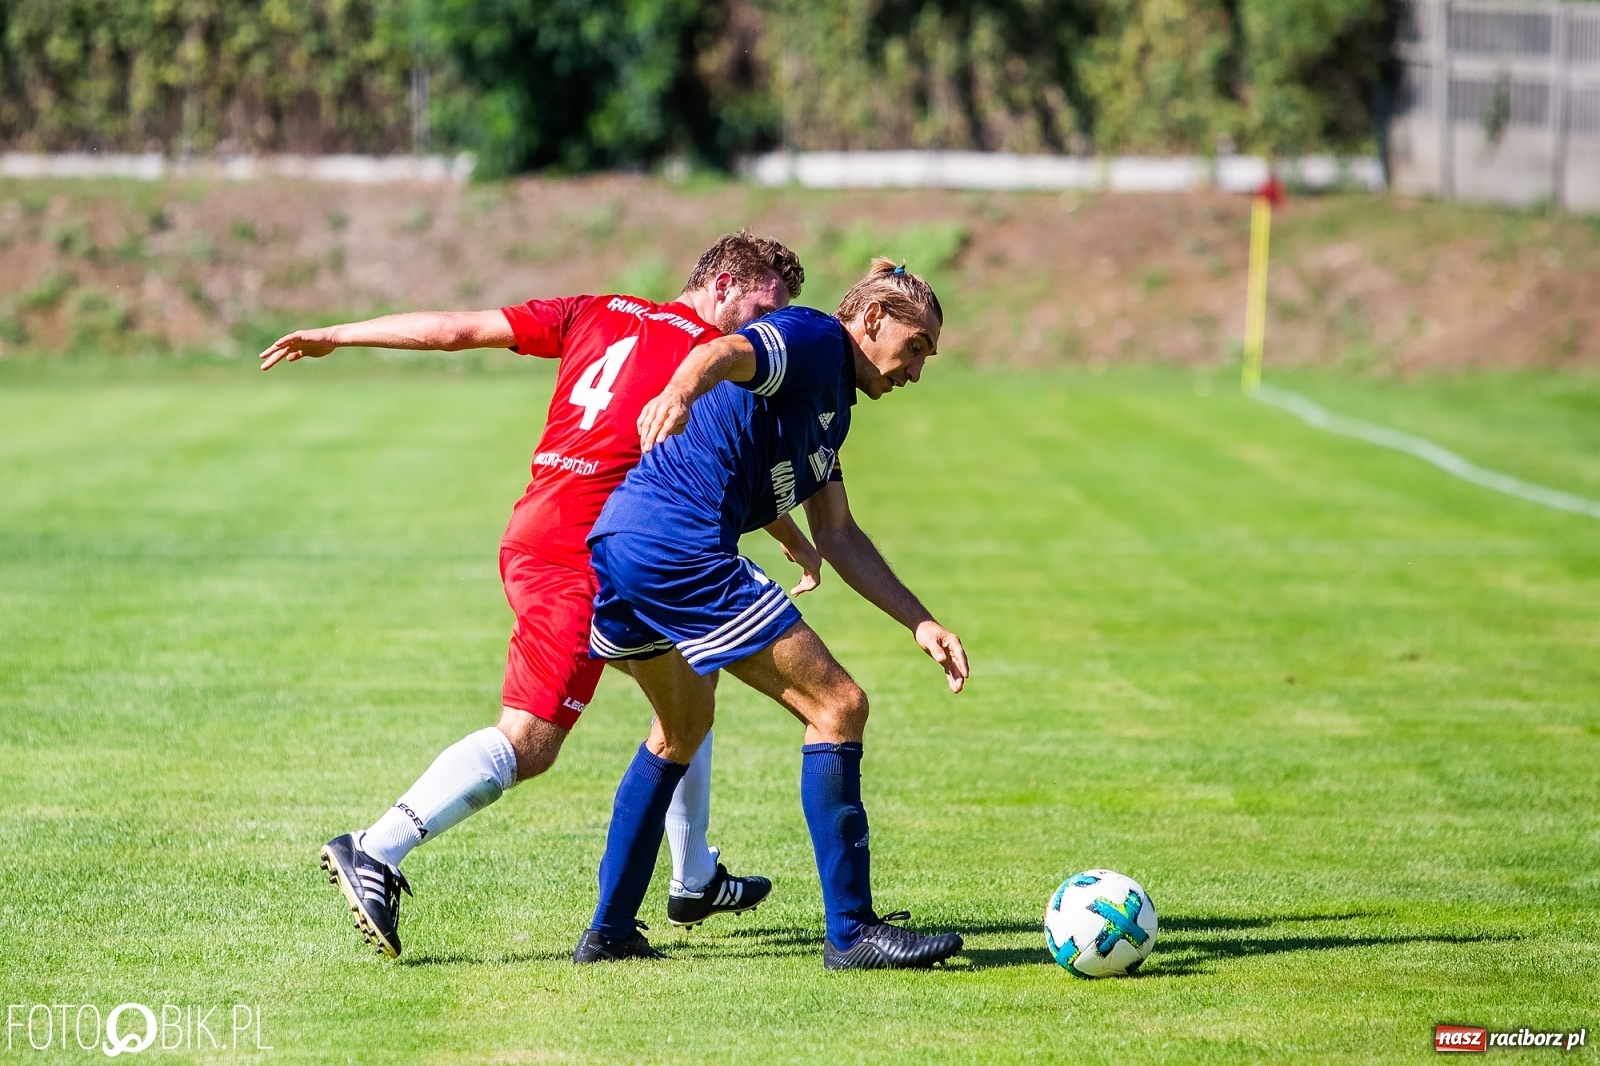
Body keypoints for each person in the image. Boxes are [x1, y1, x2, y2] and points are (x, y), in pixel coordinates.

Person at [256, 232, 816, 958]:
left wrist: (337, 333)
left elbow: (457, 330)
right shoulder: (702, 365)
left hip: (541, 529)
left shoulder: (596, 308)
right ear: (726, 281)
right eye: (762, 306)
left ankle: (695, 875)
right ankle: (375, 848)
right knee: (529, 741)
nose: (762, 328)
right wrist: (793, 531)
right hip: (581, 557)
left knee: (690, 681)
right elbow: (708, 462)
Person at [574, 259, 970, 969]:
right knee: (839, 706)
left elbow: (839, 534)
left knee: (681, 727)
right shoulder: (817, 337)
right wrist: (676, 393)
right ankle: (853, 934)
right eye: (916, 347)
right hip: (677, 543)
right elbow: (724, 349)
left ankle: (608, 933)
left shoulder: (832, 410)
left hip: (622, 540)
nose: (915, 369)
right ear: (873, 320)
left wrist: (920, 620)